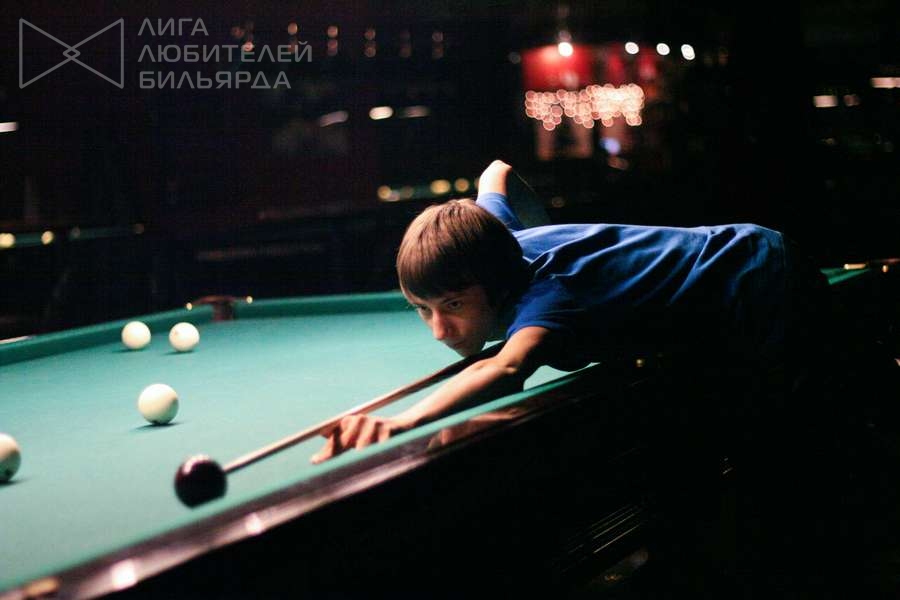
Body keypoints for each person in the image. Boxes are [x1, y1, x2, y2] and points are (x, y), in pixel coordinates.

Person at [311, 159, 849, 465]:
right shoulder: (495, 240)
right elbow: (496, 174)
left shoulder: (548, 296)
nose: (438, 331)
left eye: (452, 305)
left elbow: (507, 368)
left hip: (760, 279)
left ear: (494, 283)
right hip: (744, 261)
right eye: (422, 309)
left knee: (785, 449)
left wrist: (404, 420)